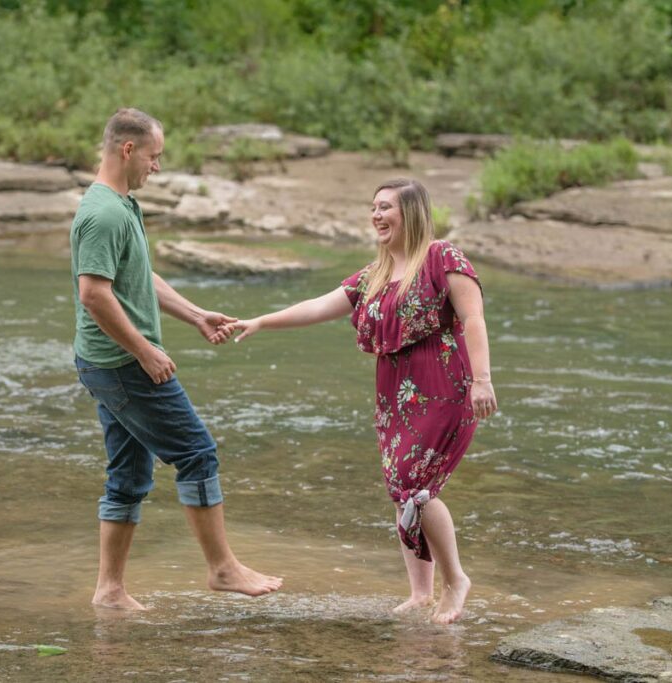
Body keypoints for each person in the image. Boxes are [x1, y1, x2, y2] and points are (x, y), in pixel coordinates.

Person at [229, 178, 496, 625]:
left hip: (446, 387)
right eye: (373, 207)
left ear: (410, 212)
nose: (376, 215)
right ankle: (420, 592)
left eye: (385, 207)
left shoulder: (441, 257)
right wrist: (261, 321)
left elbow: (474, 319)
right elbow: (318, 305)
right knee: (401, 493)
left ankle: (456, 582)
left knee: (417, 486)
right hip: (396, 397)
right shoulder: (375, 274)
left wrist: (483, 381)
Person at [71, 108, 283, 610]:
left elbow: (137, 276)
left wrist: (194, 315)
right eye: (154, 156)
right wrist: (145, 352)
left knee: (128, 474)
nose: (157, 167)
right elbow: (94, 295)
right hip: (121, 365)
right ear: (128, 150)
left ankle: (110, 590)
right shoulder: (101, 214)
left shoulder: (122, 205)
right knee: (197, 453)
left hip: (108, 364)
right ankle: (223, 569)